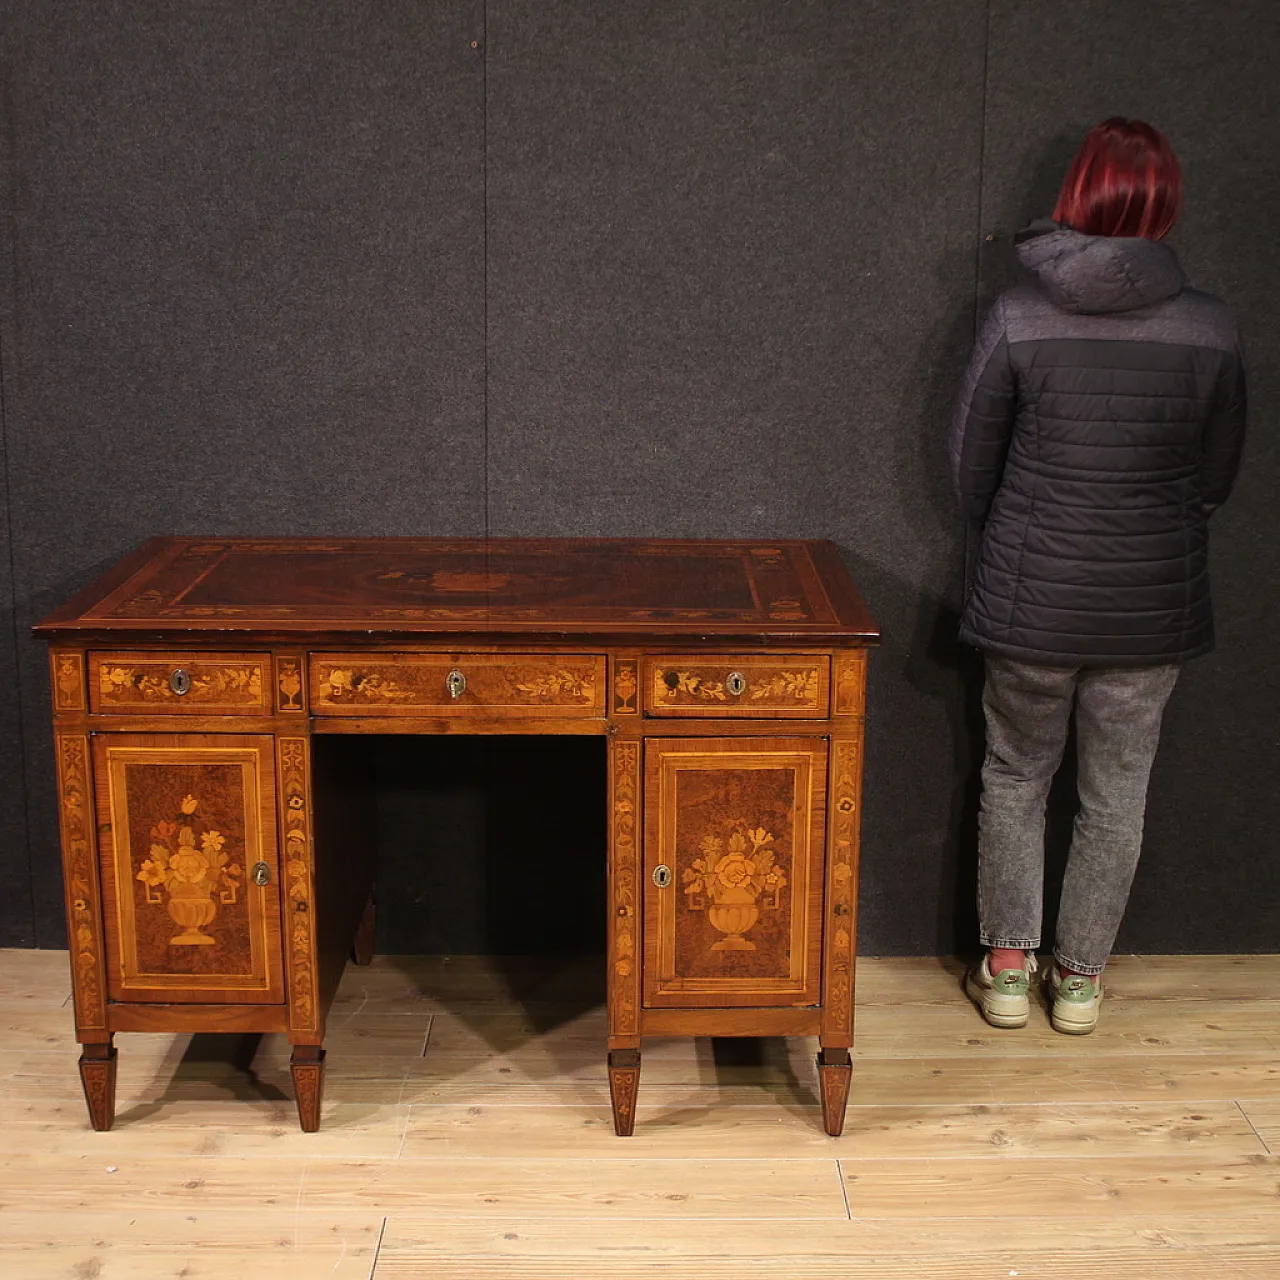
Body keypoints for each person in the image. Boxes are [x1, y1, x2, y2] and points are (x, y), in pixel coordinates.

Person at [949, 118, 1247, 1034]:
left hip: (1032, 599)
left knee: (1016, 775)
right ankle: (1077, 982)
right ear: (1166, 202)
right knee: (1117, 796)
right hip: (1149, 608)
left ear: (1078, 194)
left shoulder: (1017, 316)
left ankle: (1006, 968)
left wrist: (1027, 535)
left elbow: (970, 465)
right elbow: (1218, 478)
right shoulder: (1211, 328)